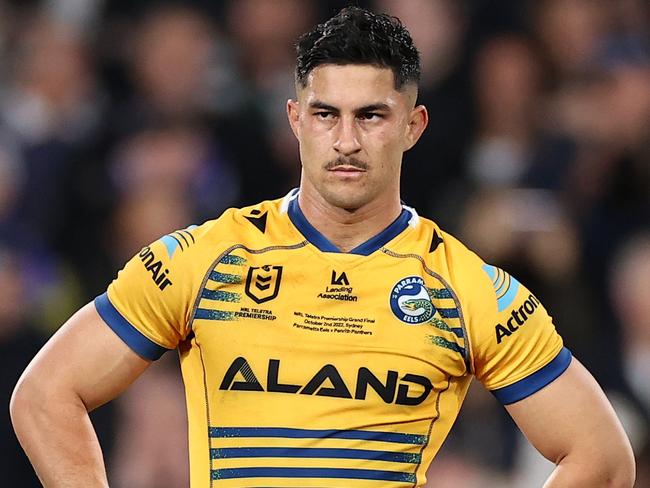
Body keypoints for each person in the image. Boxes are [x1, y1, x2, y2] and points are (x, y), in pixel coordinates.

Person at [10, 7, 635, 487]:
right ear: (294, 120)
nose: (345, 141)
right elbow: (45, 395)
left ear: (413, 126)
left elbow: (603, 458)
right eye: (324, 114)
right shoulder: (205, 258)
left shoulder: (466, 288)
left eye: (370, 115)